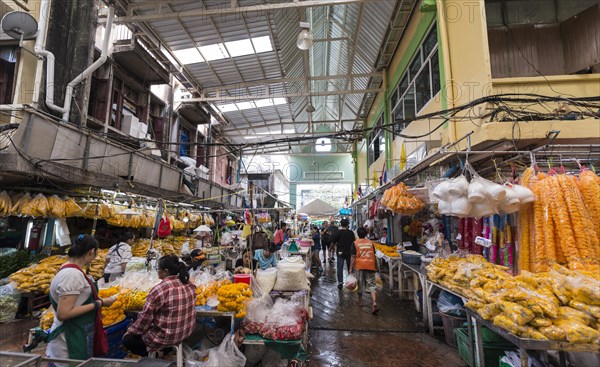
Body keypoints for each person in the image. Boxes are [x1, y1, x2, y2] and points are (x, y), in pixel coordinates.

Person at [46, 234, 116, 361]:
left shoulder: (70, 269)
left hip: (77, 332)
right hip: (69, 339)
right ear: (91, 252)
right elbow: (64, 313)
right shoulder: (73, 275)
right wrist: (98, 303)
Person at [123, 255, 196, 356]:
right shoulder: (189, 284)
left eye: (158, 269)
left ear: (165, 271)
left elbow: (144, 320)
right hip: (185, 332)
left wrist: (130, 331)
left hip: (166, 337)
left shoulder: (159, 290)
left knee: (128, 340)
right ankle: (164, 351)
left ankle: (158, 354)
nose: (157, 271)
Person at [349, 227, 380, 314]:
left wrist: (350, 268)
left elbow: (353, 256)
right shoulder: (370, 243)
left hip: (359, 266)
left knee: (360, 283)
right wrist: (376, 266)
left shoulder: (355, 243)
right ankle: (374, 302)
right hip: (370, 265)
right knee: (372, 284)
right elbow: (373, 255)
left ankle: (360, 301)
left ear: (358, 234)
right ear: (366, 234)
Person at [331, 219, 355, 289]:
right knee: (350, 267)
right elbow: (354, 243)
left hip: (340, 252)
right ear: (348, 224)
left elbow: (333, 241)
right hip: (349, 252)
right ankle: (351, 282)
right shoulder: (351, 233)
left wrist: (330, 248)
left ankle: (340, 283)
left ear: (341, 224)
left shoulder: (338, 232)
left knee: (340, 267)